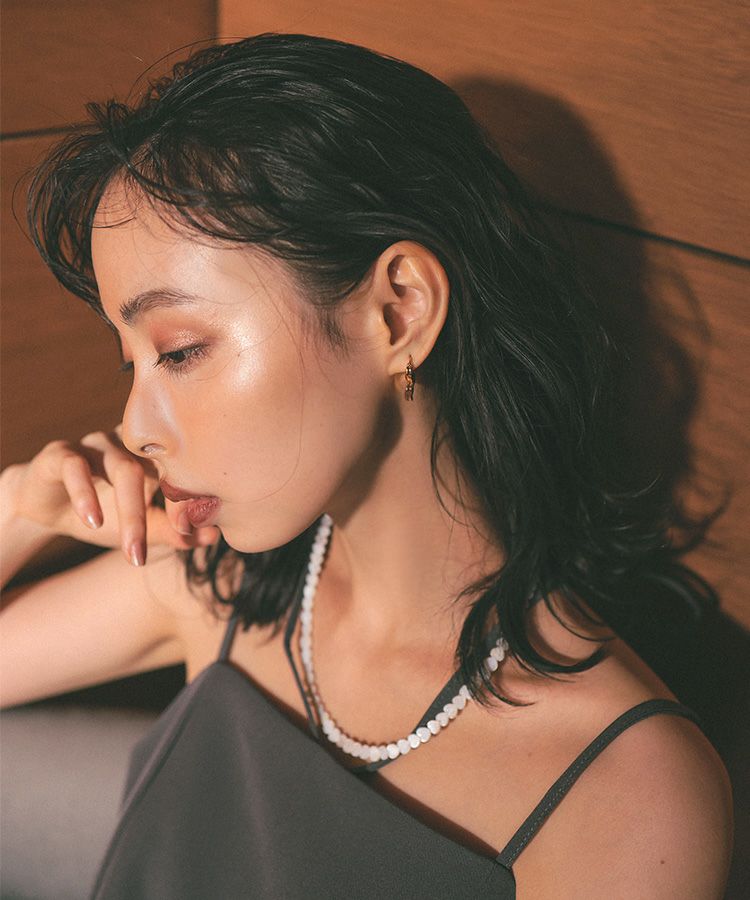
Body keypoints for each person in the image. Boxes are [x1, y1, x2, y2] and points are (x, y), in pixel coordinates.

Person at [0, 31, 733, 899]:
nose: (133, 426)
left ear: (399, 310)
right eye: (133, 364)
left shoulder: (627, 797)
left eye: (182, 350)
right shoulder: (216, 589)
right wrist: (15, 512)